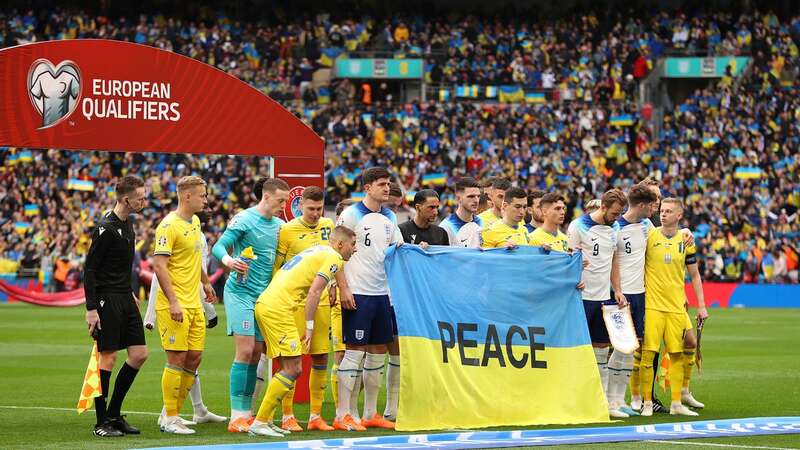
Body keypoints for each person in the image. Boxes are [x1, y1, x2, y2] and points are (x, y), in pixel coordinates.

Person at [250, 227, 356, 437]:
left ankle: (266, 419)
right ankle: (260, 421)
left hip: (268, 304)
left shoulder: (317, 250)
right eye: (353, 244)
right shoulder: (334, 257)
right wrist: (309, 326)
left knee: (285, 367)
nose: (356, 249)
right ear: (341, 244)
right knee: (294, 368)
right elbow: (316, 291)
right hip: (278, 309)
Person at [211, 177, 289, 433]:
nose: (283, 205)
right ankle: (236, 415)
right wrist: (229, 261)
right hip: (241, 292)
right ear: (266, 197)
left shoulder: (280, 226)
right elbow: (219, 246)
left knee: (256, 353)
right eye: (280, 201)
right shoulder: (244, 219)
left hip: (263, 297)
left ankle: (246, 412)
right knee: (245, 351)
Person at [144, 203, 226, 427]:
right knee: (177, 359)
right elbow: (158, 271)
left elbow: (195, 264)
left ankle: (179, 413)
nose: (207, 202)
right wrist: (152, 314)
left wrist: (207, 283)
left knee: (193, 358)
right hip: (176, 302)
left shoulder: (196, 226)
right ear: (188, 198)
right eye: (203, 197)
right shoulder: (169, 226)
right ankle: (169, 417)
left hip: (194, 302)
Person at [334, 167, 403, 431]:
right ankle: (343, 414)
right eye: (382, 184)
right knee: (354, 352)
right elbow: (335, 252)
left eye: (388, 183)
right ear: (367, 188)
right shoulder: (351, 214)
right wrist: (343, 288)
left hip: (382, 294)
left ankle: (371, 413)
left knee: (377, 352)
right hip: (358, 291)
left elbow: (396, 249)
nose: (387, 188)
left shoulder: (390, 217)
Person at [83, 175, 149, 437]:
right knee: (108, 357)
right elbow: (90, 269)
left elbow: (120, 266)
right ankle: (101, 423)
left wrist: (130, 291)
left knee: (140, 354)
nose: (144, 201)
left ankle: (114, 414)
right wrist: (91, 309)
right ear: (126, 199)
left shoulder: (128, 225)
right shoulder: (105, 228)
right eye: (141, 197)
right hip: (106, 299)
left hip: (125, 296)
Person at [271, 186, 337, 432]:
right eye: (311, 209)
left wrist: (333, 286)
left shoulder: (328, 225)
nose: (316, 213)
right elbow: (278, 267)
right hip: (294, 304)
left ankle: (315, 416)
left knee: (320, 356)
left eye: (319, 209)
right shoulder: (287, 230)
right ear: (300, 206)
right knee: (291, 357)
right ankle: (287, 415)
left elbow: (331, 261)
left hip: (320, 303)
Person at [640, 198, 708, 417]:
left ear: (679, 215)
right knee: (648, 354)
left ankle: (677, 403)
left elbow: (695, 276)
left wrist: (702, 306)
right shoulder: (649, 236)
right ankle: (647, 403)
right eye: (661, 210)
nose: (663, 214)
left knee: (677, 354)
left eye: (668, 211)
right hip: (653, 306)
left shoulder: (686, 240)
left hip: (677, 307)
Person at [567, 188, 629, 419]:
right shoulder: (577, 226)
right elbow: (570, 259)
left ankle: (603, 403)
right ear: (603, 207)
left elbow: (614, 259)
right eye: (614, 212)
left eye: (620, 213)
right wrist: (576, 277)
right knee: (579, 351)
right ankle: (575, 401)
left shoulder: (614, 228)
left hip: (604, 298)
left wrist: (618, 290)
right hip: (582, 298)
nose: (617, 217)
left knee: (602, 350)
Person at [605, 184, 658, 417]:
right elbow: (610, 261)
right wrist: (615, 290)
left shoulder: (647, 226)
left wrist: (685, 231)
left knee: (631, 349)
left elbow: (666, 235)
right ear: (643, 205)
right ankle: (609, 401)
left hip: (640, 295)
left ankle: (620, 399)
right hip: (620, 294)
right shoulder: (616, 227)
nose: (655, 209)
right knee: (619, 348)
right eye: (653, 205)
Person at [440, 177, 484, 248]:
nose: (476, 200)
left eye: (478, 196)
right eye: (471, 196)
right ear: (458, 198)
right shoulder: (446, 227)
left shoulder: (482, 222)